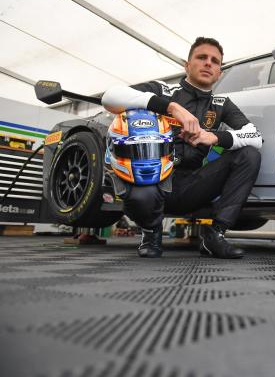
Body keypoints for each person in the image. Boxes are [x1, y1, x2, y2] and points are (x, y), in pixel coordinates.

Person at [102, 37, 262, 259]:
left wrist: (212, 137)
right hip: (153, 180)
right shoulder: (164, 90)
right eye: (201, 57)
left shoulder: (221, 104)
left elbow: (255, 136)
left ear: (219, 73)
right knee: (142, 175)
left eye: (215, 61)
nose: (208, 63)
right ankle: (151, 233)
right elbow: (110, 96)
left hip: (192, 186)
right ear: (187, 65)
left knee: (249, 154)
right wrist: (171, 107)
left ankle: (214, 235)